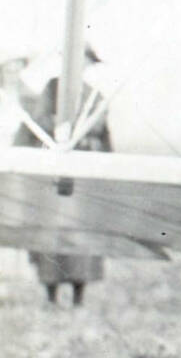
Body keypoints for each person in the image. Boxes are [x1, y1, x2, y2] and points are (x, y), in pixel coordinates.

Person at [14, 45, 112, 306]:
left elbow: (105, 138)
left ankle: (79, 296)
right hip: (53, 174)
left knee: (82, 236)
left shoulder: (96, 97)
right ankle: (51, 296)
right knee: (51, 234)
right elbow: (37, 123)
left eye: (85, 62)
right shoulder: (51, 89)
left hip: (86, 175)